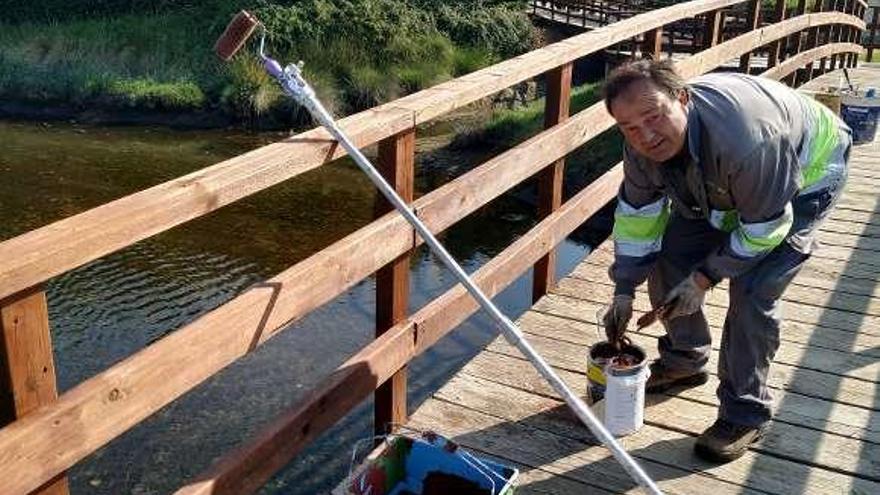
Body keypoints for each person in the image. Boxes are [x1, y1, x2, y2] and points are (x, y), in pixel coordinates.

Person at [600, 59, 850, 463]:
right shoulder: (641, 147)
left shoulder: (749, 141)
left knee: (753, 291)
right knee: (670, 257)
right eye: (629, 127)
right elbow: (637, 219)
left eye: (653, 116)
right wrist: (624, 290)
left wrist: (704, 278)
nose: (645, 134)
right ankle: (685, 359)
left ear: (682, 98)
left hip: (806, 174)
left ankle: (744, 413)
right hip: (718, 182)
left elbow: (767, 226)